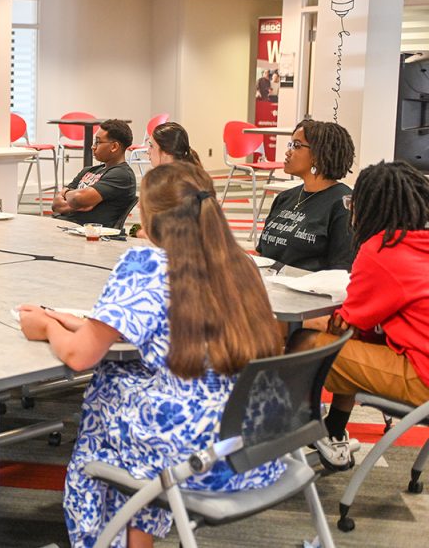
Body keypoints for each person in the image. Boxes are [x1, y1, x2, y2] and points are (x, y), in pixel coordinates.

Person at [19, 161, 283, 548]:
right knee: (134, 393)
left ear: (148, 216)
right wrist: (86, 322)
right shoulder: (240, 264)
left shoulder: (146, 265)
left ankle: (102, 539)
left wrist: (45, 325)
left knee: (108, 391)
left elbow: (79, 356)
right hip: (252, 445)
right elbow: (174, 325)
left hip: (187, 454)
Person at [290, 161, 429, 471]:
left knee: (305, 343)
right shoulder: (419, 242)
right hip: (419, 359)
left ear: (368, 208)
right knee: (356, 341)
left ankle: (292, 432)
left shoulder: (382, 249)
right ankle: (334, 428)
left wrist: (301, 322)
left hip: (423, 378)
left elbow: (346, 324)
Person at [256, 119, 355, 271]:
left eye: (296, 145)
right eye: (290, 145)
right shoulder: (284, 198)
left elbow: (342, 268)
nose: (288, 152)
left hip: (310, 285)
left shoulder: (343, 204)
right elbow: (261, 252)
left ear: (318, 155)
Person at [52, 119, 137, 227]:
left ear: (114, 147)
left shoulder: (122, 175)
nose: (93, 146)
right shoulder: (88, 170)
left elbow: (78, 198)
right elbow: (56, 205)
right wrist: (74, 198)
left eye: (98, 142)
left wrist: (66, 193)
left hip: (88, 232)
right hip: (64, 225)